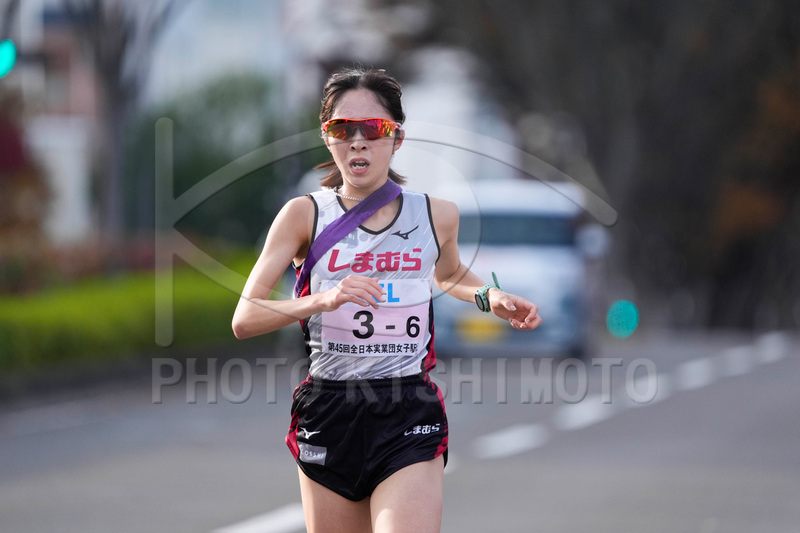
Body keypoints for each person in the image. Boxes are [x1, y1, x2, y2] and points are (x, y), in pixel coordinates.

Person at [231, 67, 542, 533]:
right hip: (329, 409)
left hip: (406, 408)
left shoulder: (436, 214)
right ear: (327, 138)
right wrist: (322, 300)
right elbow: (245, 317)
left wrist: (488, 295)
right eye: (343, 129)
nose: (358, 142)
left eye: (373, 129)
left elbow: (449, 273)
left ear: (396, 138)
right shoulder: (303, 215)